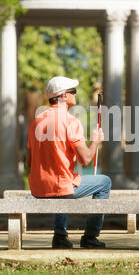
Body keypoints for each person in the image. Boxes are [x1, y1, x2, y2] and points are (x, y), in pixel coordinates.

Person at [26, 76, 111, 249]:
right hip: (59, 188)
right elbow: (85, 159)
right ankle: (90, 236)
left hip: (38, 188)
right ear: (64, 96)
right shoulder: (71, 121)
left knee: (64, 179)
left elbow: (29, 161)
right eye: (73, 92)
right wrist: (95, 141)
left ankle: (60, 236)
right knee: (104, 182)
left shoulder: (35, 122)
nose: (75, 95)